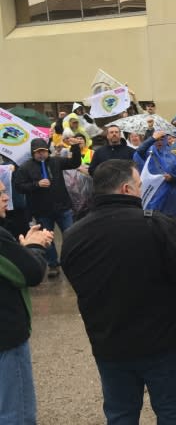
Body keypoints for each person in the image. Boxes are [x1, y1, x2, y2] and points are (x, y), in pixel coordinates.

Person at [60, 159, 176, 425]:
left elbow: (77, 280)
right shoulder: (156, 224)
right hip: (161, 343)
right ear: (126, 189)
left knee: (120, 415)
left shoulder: (73, 236)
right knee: (172, 413)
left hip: (108, 343)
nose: (142, 190)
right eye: (139, 185)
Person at [0, 177, 52, 425]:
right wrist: (34, 248)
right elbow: (29, 273)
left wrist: (21, 249)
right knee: (16, 413)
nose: (6, 197)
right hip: (6, 336)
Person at [14, 137, 81, 278]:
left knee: (70, 236)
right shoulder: (25, 167)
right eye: (38, 152)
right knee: (47, 239)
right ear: (33, 153)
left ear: (47, 151)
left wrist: (75, 148)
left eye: (43, 151)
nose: (41, 154)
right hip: (42, 211)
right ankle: (53, 265)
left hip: (63, 207)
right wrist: (36, 184)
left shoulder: (55, 161)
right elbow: (19, 187)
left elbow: (75, 163)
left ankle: (74, 261)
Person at [134, 131, 176, 218]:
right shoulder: (148, 154)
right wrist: (152, 138)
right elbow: (139, 151)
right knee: (151, 226)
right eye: (156, 140)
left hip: (169, 198)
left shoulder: (173, 156)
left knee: (169, 226)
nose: (159, 142)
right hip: (151, 196)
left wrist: (171, 178)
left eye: (162, 139)